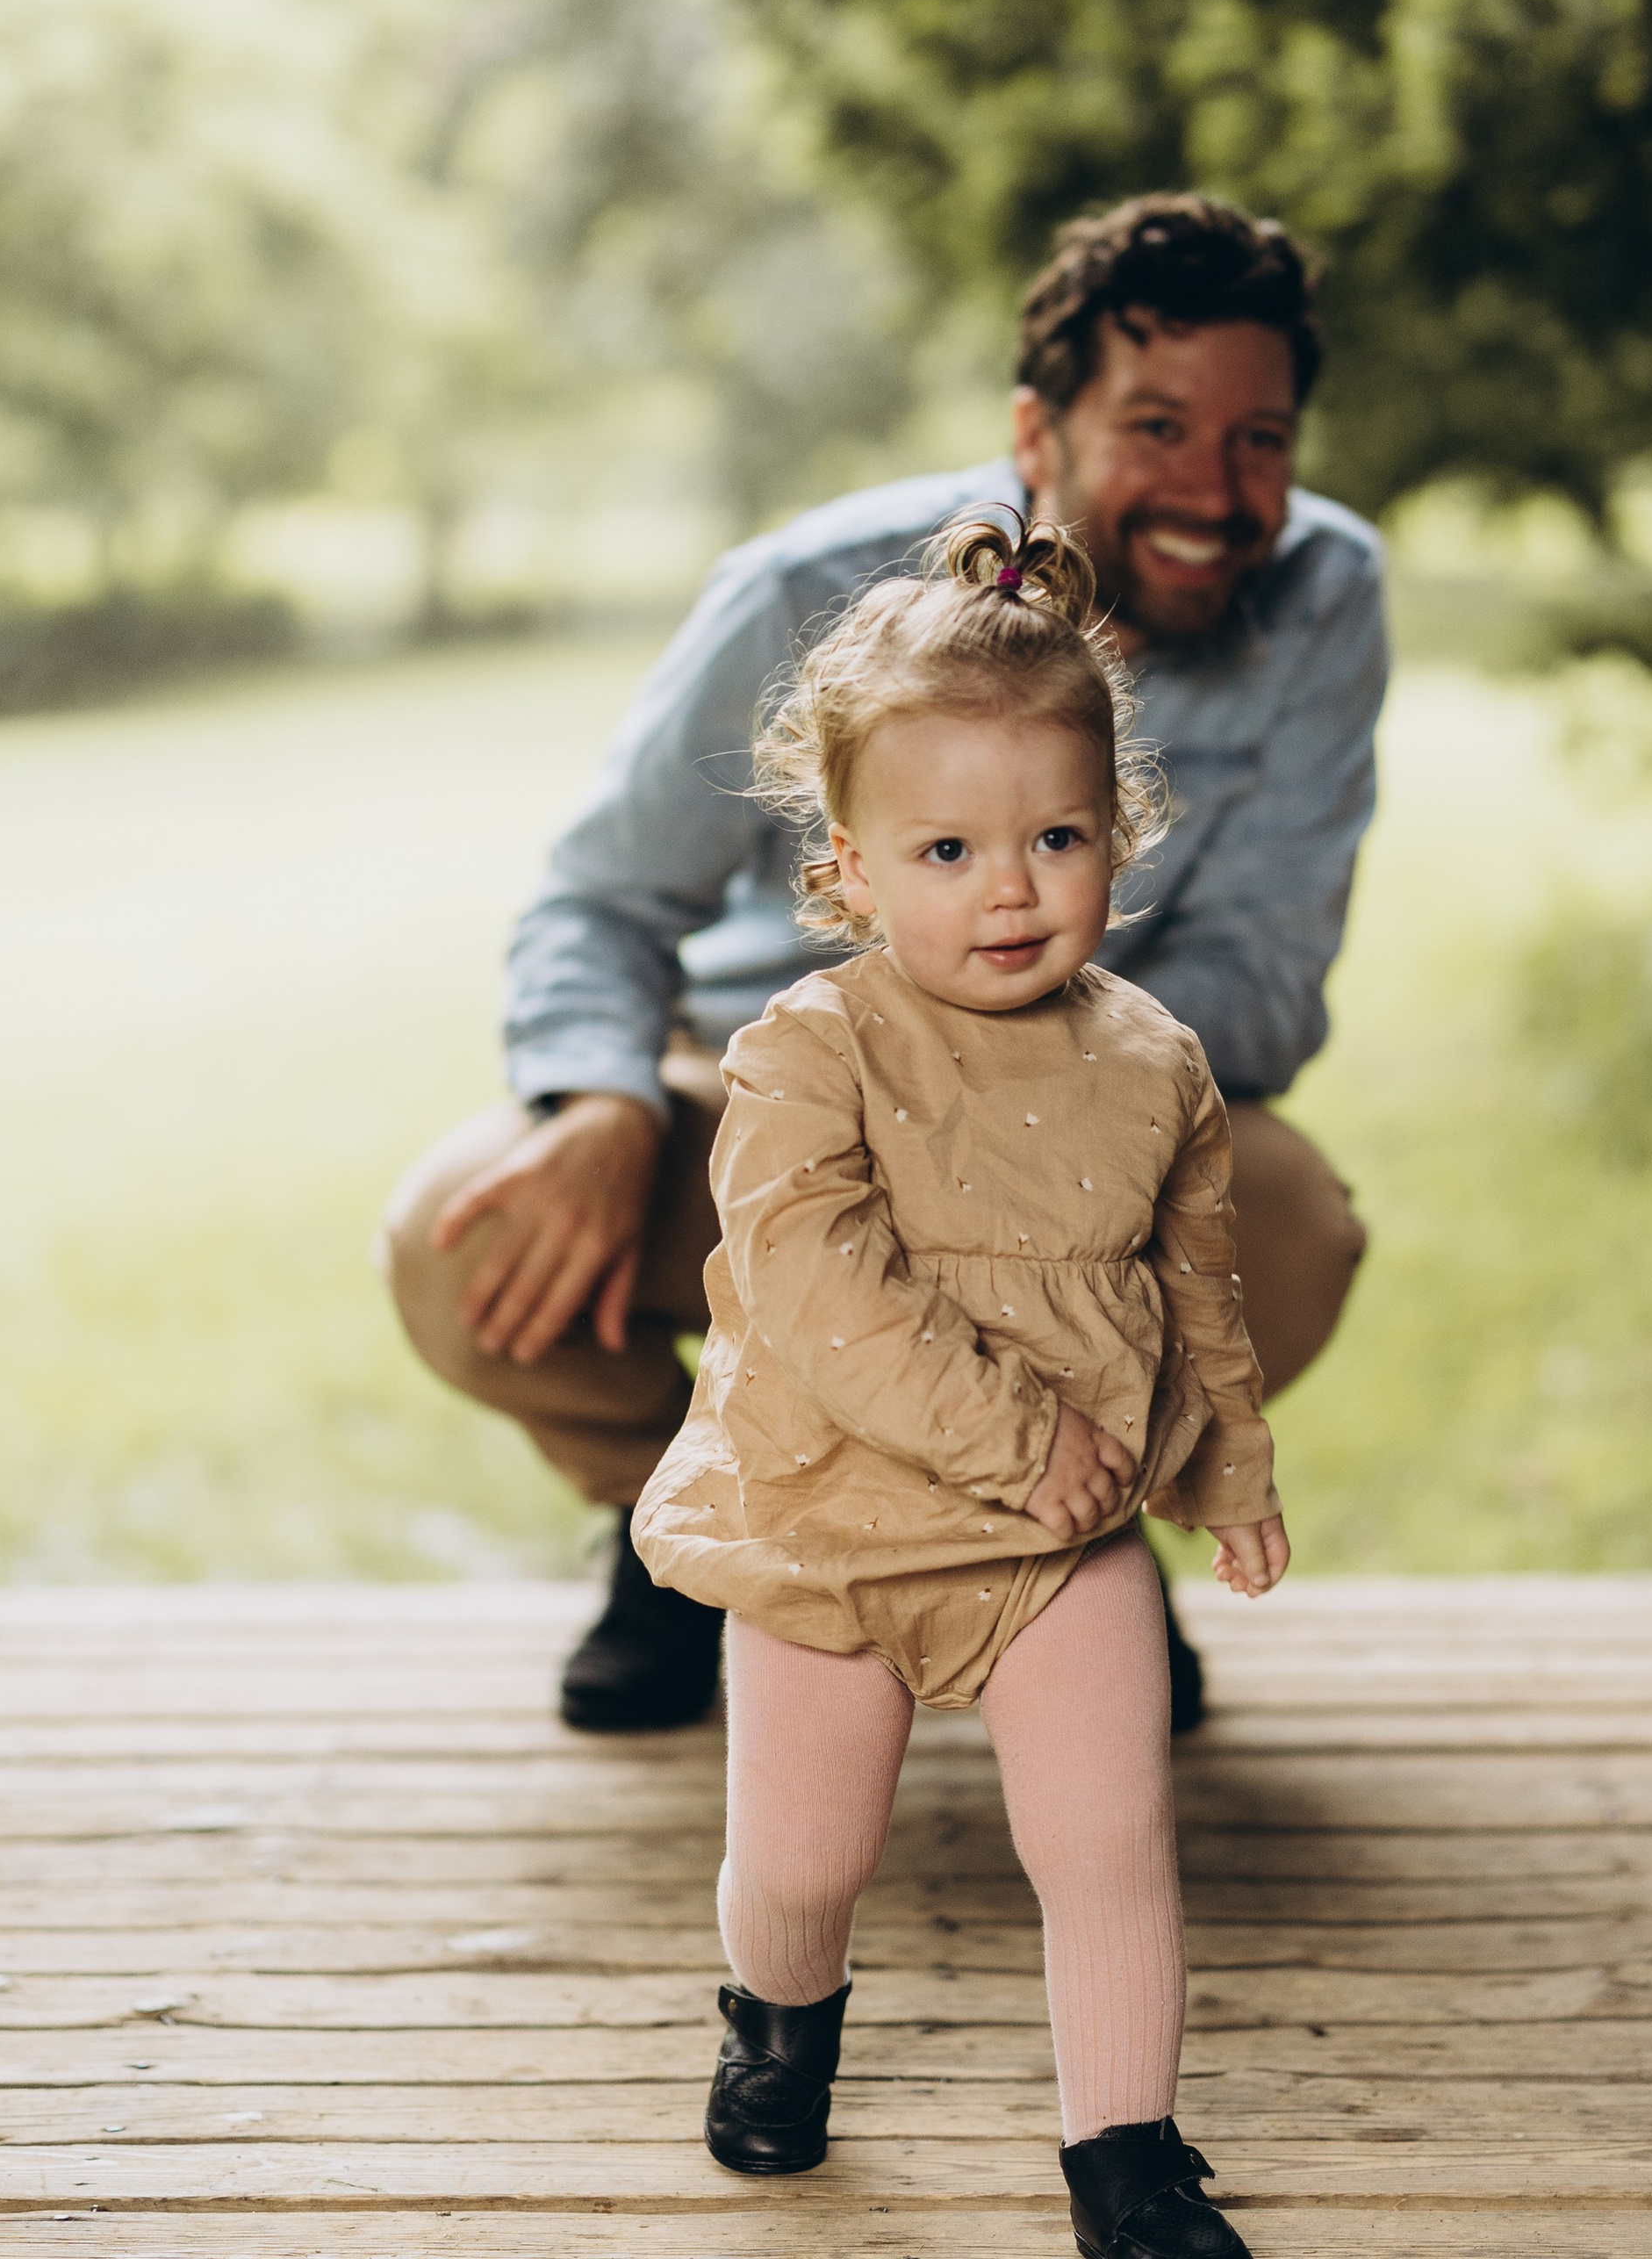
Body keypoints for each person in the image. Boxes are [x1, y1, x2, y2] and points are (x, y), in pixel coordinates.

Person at [381, 191, 1386, 1730]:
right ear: (1037, 435)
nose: (1218, 486)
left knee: (1297, 1219)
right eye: (1160, 427)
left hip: (1088, 1097)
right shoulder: (808, 590)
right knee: (461, 1240)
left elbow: (1265, 980)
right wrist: (598, 1101)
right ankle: (703, 1530)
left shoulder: (1328, 598)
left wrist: (1015, 1095)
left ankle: (1082, 1521)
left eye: (1261, 438)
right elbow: (598, 898)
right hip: (760, 1094)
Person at [636, 513, 1282, 2259]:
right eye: (946, 848)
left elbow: (1194, 1285)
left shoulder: (1150, 1060)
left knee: (1105, 1841)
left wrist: (1226, 1463)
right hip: (831, 1523)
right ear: (848, 869)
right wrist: (1022, 1438)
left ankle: (1126, 2160)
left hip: (1059, 1545)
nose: (1009, 890)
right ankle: (777, 2013)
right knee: (804, 1850)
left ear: (1114, 837)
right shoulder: (804, 1056)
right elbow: (826, 1298)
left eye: (1054, 838)